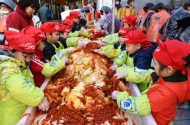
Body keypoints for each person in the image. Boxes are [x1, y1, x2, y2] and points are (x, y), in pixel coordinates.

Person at [112, 40, 190, 125]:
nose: (153, 66)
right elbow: (146, 74)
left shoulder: (167, 94)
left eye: (155, 63)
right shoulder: (167, 76)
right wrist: (127, 74)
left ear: (169, 69)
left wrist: (119, 96)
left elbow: (139, 106)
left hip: (156, 121)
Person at [0, 31, 50, 125]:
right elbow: (17, 87)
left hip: (23, 111)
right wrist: (39, 98)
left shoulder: (21, 64)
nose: (27, 60)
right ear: (11, 50)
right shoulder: (7, 67)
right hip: (11, 118)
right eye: (25, 56)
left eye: (30, 57)